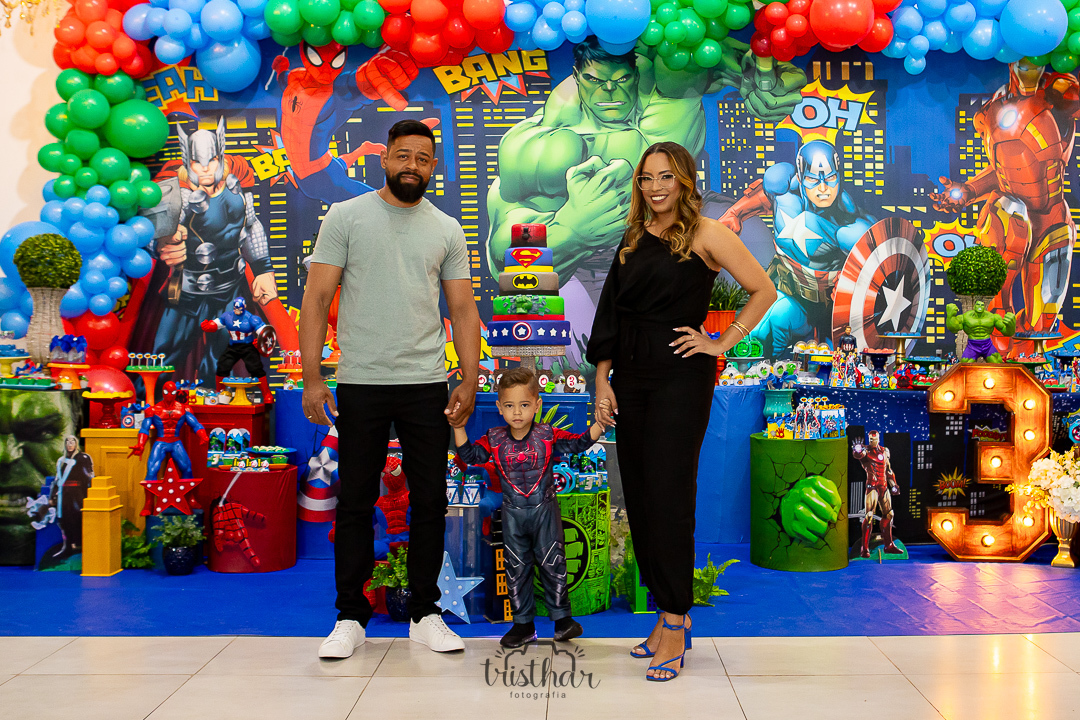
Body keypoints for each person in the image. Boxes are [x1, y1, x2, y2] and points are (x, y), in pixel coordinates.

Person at [587, 141, 776, 681]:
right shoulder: (632, 237)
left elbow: (763, 290)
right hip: (631, 379)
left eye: (666, 177)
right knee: (641, 497)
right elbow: (612, 314)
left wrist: (722, 341)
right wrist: (602, 382)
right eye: (646, 178)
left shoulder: (708, 234)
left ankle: (674, 618)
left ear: (685, 181)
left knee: (669, 498)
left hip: (679, 380)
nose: (655, 187)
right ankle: (666, 611)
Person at [299, 119, 481, 659]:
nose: (412, 166)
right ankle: (350, 618)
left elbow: (463, 308)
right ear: (385, 159)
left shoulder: (446, 228)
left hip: (426, 383)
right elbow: (316, 298)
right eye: (403, 156)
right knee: (356, 501)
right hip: (361, 380)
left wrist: (468, 378)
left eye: (422, 159)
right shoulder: (346, 216)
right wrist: (313, 376)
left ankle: (425, 614)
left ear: (433, 167)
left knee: (429, 501)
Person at [453, 367, 606, 649]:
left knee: (554, 563)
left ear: (537, 404)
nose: (517, 412)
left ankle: (563, 621)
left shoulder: (547, 435)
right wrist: (458, 426)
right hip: (513, 515)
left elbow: (579, 444)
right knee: (516, 568)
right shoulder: (494, 438)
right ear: (499, 407)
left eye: (524, 405)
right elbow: (471, 456)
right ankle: (523, 625)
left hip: (544, 512)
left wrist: (600, 424)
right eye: (510, 406)